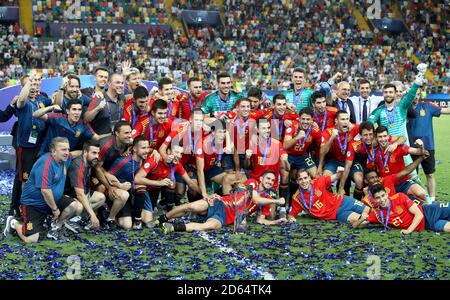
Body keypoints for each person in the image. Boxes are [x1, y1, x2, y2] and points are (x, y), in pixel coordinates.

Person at [3, 137, 81, 242]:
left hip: (51, 200)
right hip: (34, 205)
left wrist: (85, 152)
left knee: (76, 206)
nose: (67, 152)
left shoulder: (64, 158)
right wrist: (55, 209)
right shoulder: (46, 164)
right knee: (31, 239)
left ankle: (55, 228)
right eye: (63, 150)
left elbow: (74, 154)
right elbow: (45, 191)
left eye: (67, 149)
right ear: (53, 151)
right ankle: (13, 223)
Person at [158, 181, 286, 234]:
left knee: (209, 226)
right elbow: (255, 198)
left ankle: (173, 227)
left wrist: (277, 221)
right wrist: (277, 200)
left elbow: (261, 220)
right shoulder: (251, 188)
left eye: (272, 180)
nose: (269, 182)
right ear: (262, 179)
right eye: (268, 179)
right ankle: (163, 218)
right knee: (190, 206)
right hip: (218, 203)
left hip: (224, 217)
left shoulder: (265, 201)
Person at [135, 141, 201, 216]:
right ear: (168, 151)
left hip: (155, 190)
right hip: (143, 189)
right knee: (147, 218)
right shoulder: (155, 159)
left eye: (181, 153)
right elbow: (137, 179)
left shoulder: (177, 164)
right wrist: (159, 183)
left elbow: (190, 182)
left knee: (171, 182)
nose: (179, 156)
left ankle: (166, 206)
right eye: (176, 152)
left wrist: (204, 194)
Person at [353, 184, 450, 234]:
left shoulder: (399, 197)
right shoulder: (377, 214)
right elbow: (355, 226)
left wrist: (409, 230)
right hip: (428, 225)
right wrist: (362, 218)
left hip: (429, 211)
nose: (382, 199)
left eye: (383, 195)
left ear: (387, 194)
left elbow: (419, 214)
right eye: (378, 198)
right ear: (374, 199)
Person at [407, 92, 450, 203]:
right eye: (413, 94)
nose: (415, 97)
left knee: (430, 174)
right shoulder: (404, 108)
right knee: (411, 175)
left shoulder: (428, 105)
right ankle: (415, 200)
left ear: (419, 95)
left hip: (428, 146)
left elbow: (446, 111)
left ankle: (432, 199)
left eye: (417, 94)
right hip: (410, 148)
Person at [288, 168, 370, 225]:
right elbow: (291, 214)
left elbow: (337, 176)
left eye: (305, 178)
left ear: (309, 178)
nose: (303, 181)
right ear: (297, 181)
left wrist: (340, 171)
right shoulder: (297, 197)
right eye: (300, 179)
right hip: (339, 214)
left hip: (343, 201)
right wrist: (291, 218)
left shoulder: (318, 181)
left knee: (370, 211)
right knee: (364, 221)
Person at [369, 125, 428, 201]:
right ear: (376, 138)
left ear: (388, 136)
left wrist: (421, 146)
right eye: (380, 137)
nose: (383, 139)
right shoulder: (374, 153)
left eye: (385, 136)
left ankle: (432, 207)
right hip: (387, 184)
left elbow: (419, 152)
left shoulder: (398, 147)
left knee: (422, 193)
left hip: (403, 181)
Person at [108, 136, 153, 229]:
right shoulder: (123, 161)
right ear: (135, 149)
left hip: (135, 193)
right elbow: (108, 175)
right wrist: (116, 185)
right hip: (122, 194)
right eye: (143, 148)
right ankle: (111, 213)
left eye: (148, 147)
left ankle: (137, 219)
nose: (147, 150)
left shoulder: (146, 160)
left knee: (148, 220)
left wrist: (155, 151)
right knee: (126, 225)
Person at [32, 99, 107, 155]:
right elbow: (35, 115)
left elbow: (97, 138)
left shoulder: (82, 124)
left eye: (79, 110)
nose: (77, 113)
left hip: (64, 157)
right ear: (67, 111)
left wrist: (111, 135)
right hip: (47, 154)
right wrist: (50, 108)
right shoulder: (58, 118)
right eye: (74, 109)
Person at [64, 141, 105, 231]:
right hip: (67, 195)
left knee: (101, 197)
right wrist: (93, 215)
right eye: (94, 153)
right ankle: (63, 220)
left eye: (98, 153)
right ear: (85, 152)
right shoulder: (78, 165)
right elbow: (80, 194)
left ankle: (76, 219)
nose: (97, 156)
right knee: (79, 206)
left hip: (78, 193)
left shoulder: (89, 162)